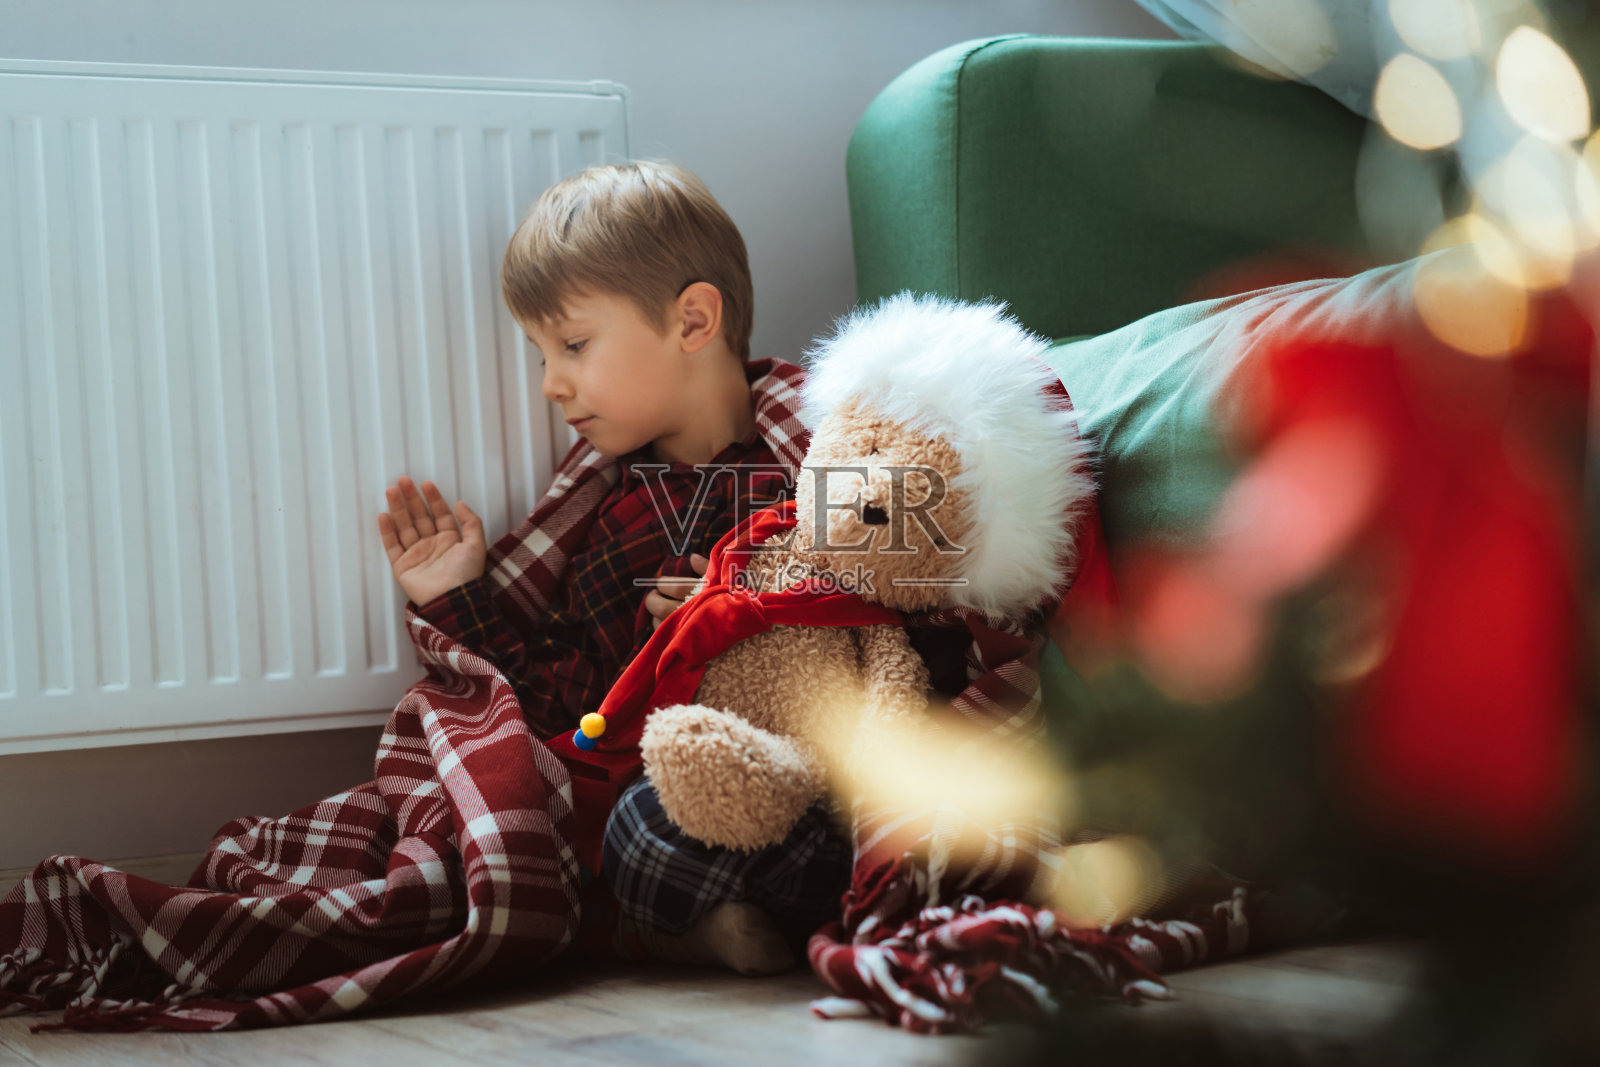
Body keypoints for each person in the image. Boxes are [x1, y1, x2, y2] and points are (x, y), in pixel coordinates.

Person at [373, 161, 849, 975]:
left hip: (818, 781)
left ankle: (686, 924)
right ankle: (676, 928)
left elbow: (912, 605)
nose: (552, 383)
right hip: (668, 791)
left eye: (574, 344)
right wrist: (456, 598)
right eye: (540, 352)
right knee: (638, 827)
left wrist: (742, 611)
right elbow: (559, 706)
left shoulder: (822, 464)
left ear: (694, 321)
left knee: (874, 829)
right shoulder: (612, 521)